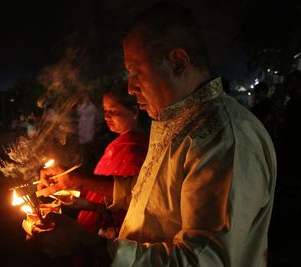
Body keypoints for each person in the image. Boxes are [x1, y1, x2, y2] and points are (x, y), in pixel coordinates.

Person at [27, 2, 277, 266]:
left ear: (178, 62)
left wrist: (85, 243)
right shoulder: (180, 122)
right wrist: (78, 181)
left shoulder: (224, 139)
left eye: (136, 71)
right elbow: (148, 194)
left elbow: (203, 261)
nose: (131, 87)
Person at [68, 80, 149, 266]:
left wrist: (79, 180)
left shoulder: (136, 150)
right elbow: (100, 197)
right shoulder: (118, 144)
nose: (106, 116)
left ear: (135, 111)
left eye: (113, 111)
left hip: (113, 239)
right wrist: (72, 194)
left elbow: (129, 200)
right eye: (104, 110)